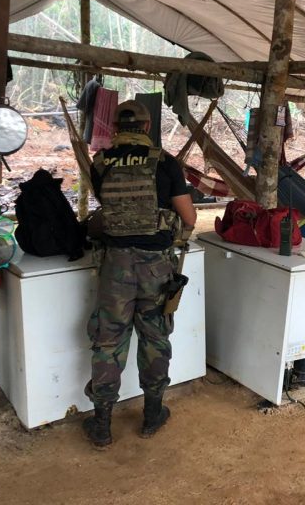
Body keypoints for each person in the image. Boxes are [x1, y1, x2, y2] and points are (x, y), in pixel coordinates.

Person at [82, 100, 196, 448]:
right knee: (155, 337)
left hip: (115, 265)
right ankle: (152, 414)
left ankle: (102, 424)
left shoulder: (100, 163)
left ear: (115, 128)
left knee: (109, 340)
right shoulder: (165, 162)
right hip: (156, 266)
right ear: (147, 127)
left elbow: (105, 210)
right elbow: (189, 218)